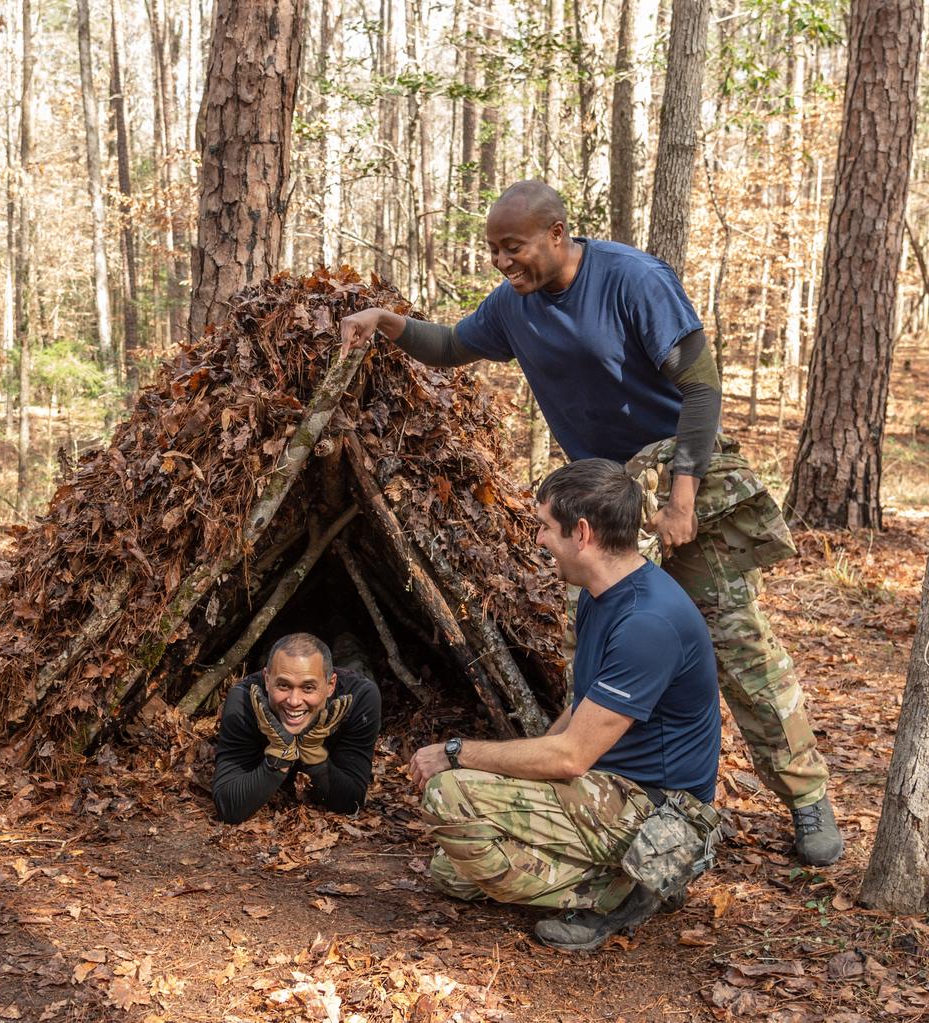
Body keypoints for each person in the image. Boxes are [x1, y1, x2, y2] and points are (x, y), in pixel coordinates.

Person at [341, 180, 841, 866]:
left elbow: (701, 383)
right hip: (603, 493)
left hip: (678, 468)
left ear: (557, 232)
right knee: (609, 639)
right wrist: (387, 323)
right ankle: (615, 799)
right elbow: (454, 343)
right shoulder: (514, 307)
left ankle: (807, 795)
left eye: (511, 248)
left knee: (733, 638)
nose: (501, 263)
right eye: (492, 251)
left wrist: (683, 498)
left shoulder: (631, 279)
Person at [409, 459, 722, 951]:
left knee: (450, 795)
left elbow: (572, 756)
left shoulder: (647, 623)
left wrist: (455, 752)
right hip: (607, 783)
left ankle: (626, 887)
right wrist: (523, 770)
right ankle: (624, 874)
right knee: (453, 873)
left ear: (581, 533)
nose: (537, 540)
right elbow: (580, 711)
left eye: (544, 527)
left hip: (658, 808)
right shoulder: (599, 594)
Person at [212, 633, 381, 824]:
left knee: (352, 649)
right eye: (283, 685)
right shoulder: (243, 699)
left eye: (308, 688)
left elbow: (352, 802)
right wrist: (279, 754)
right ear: (267, 680)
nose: (294, 701)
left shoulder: (358, 697)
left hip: (350, 669)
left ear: (330, 685)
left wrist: (313, 752)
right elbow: (228, 807)